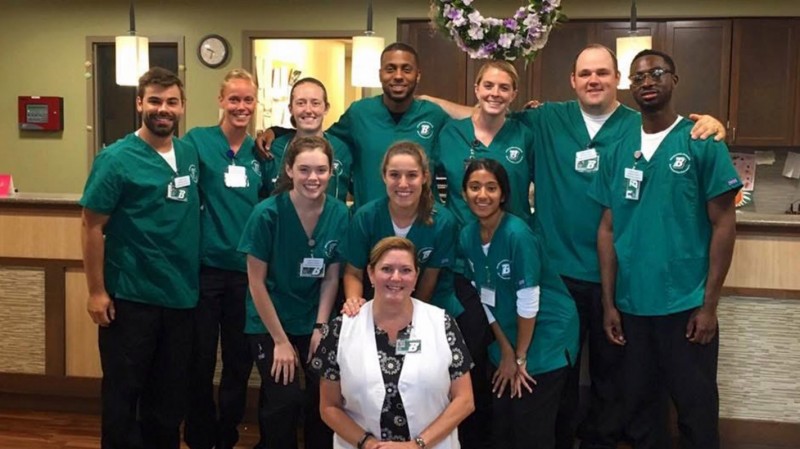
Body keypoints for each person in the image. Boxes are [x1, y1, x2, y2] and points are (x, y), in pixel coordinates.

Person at [423, 44, 726, 449]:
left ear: (617, 79)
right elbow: (488, 112)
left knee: (613, 373)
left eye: (602, 72)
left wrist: (713, 123)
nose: (593, 80)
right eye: (585, 73)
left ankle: (601, 441)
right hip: (556, 272)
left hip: (614, 275)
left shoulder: (640, 124)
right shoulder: (549, 118)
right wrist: (427, 100)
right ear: (573, 80)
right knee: (558, 373)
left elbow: (673, 132)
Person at [589, 49, 740, 449]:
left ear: (675, 79)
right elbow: (607, 228)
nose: (647, 82)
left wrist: (709, 306)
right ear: (630, 87)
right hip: (633, 305)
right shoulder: (618, 148)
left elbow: (724, 224)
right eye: (638, 77)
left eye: (656, 73)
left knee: (695, 407)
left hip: (686, 305)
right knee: (640, 408)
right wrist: (609, 304)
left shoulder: (701, 142)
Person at [80, 67, 199, 449]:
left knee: (168, 401)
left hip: (181, 298)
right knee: (122, 397)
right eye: (155, 101)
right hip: (131, 298)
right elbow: (91, 227)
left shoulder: (189, 153)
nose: (163, 109)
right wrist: (96, 292)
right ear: (139, 104)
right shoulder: (115, 159)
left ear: (182, 107)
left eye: (171, 102)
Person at [459, 159, 579, 449]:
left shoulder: (517, 234)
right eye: (474, 187)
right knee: (502, 424)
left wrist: (521, 356)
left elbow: (528, 300)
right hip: (508, 335)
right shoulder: (467, 236)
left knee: (530, 428)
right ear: (464, 194)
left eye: (491, 187)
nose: (482, 195)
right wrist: (506, 350)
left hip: (545, 336)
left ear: (503, 194)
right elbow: (483, 298)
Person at [238, 135, 349, 449]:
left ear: (331, 172)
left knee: (323, 397)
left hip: (312, 315)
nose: (313, 178)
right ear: (288, 169)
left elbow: (331, 277)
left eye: (321, 170)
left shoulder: (339, 213)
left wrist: (320, 327)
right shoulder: (266, 214)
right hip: (270, 320)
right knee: (284, 398)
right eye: (304, 169)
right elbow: (256, 283)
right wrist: (280, 341)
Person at [315, 236, 475, 449]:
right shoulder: (340, 329)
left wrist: (417, 445)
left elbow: (464, 400)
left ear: (416, 276)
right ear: (371, 274)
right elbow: (329, 407)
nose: (396, 278)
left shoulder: (443, 323)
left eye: (406, 270)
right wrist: (369, 444)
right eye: (387, 269)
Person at [257, 42, 450, 209]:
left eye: (406, 69)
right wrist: (277, 132)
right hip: (369, 224)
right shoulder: (359, 113)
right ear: (380, 74)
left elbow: (469, 132)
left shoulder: (434, 115)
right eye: (390, 69)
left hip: (422, 223)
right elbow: (317, 139)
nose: (398, 76)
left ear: (418, 75)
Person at [181, 69, 265, 449]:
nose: (241, 107)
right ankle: (199, 435)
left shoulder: (260, 152)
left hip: (245, 274)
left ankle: (226, 434)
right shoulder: (197, 142)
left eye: (248, 99)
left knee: (237, 363)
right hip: (205, 271)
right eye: (234, 99)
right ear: (220, 100)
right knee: (199, 361)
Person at [343, 141, 463, 319]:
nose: (403, 183)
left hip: (428, 305)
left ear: (424, 177)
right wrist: (354, 301)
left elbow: (429, 280)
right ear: (384, 176)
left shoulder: (443, 222)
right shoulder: (366, 217)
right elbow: (353, 272)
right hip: (377, 303)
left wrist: (411, 318)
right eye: (394, 175)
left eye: (412, 175)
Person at [435, 60, 534, 225]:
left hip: (511, 239)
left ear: (513, 94)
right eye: (488, 86)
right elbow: (426, 177)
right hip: (461, 239)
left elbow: (547, 187)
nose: (495, 93)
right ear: (477, 89)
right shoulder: (451, 134)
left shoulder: (525, 136)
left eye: (504, 88)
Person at [267, 77, 352, 202]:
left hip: (332, 220)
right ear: (290, 109)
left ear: (326, 108)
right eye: (300, 103)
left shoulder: (342, 150)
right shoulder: (274, 149)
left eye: (315, 103)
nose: (308, 110)